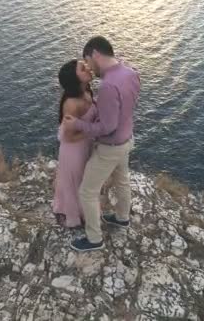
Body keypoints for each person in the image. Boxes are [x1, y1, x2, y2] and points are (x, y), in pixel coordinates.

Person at [63, 36, 140, 252]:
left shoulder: (108, 86)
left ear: (95, 54)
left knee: (87, 191)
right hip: (127, 139)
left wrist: (78, 124)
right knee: (122, 180)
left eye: (87, 59)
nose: (88, 66)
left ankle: (94, 238)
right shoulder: (130, 72)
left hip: (111, 147)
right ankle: (122, 218)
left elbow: (107, 127)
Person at [52, 59, 97, 228]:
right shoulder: (71, 104)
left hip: (86, 145)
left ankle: (86, 213)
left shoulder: (87, 91)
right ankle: (75, 216)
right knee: (77, 183)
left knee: (85, 181)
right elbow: (69, 137)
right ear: (74, 78)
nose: (87, 68)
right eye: (82, 68)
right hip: (74, 150)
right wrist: (94, 130)